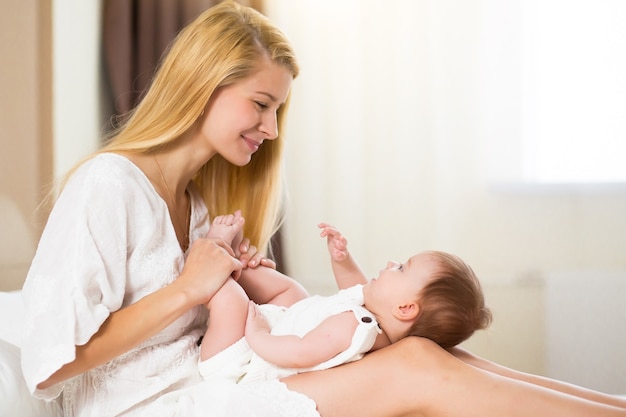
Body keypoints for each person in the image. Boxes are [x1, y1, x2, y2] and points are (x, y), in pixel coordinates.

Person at [19, 1, 626, 416]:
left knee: (420, 346)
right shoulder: (109, 186)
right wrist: (184, 290)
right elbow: (48, 369)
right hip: (154, 406)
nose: (272, 128)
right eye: (260, 104)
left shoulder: (198, 205)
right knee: (415, 366)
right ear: (204, 85)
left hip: (218, 384)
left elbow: (252, 311)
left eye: (276, 109)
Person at [199, 213, 492, 384]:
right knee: (294, 293)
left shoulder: (353, 329)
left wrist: (257, 333)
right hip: (280, 329)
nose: (391, 263)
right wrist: (342, 258)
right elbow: (356, 289)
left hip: (242, 361)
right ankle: (234, 260)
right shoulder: (371, 318)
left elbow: (298, 353)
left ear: (404, 308)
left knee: (233, 305)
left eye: (402, 268)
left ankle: (213, 253)